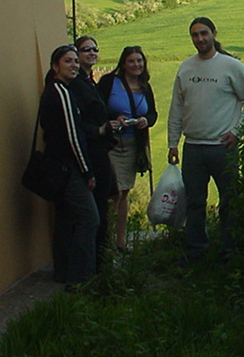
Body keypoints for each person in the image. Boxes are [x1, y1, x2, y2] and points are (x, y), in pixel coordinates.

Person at [168, 17, 244, 260]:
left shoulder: (231, 66)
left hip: (222, 148)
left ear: (214, 33)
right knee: (195, 203)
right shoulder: (186, 68)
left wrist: (237, 132)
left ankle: (230, 250)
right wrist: (173, 143)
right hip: (193, 148)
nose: (200, 39)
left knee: (230, 201)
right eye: (195, 35)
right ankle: (197, 251)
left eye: (204, 33)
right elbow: (176, 108)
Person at [39, 44, 99, 289]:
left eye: (76, 61)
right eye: (68, 61)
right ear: (55, 67)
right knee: (89, 219)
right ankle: (81, 277)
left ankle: (63, 273)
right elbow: (73, 136)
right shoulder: (61, 92)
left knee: (65, 219)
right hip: (69, 167)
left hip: (58, 167)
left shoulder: (53, 91)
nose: (74, 65)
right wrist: (87, 171)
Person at [97, 45, 157, 252]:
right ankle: (107, 238)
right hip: (112, 144)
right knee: (115, 191)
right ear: (123, 63)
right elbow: (96, 109)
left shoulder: (145, 87)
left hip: (133, 145)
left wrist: (144, 121)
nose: (136, 65)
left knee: (124, 192)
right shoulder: (108, 83)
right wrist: (114, 119)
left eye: (139, 61)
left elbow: (153, 115)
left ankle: (119, 239)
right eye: (132, 61)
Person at [70, 35, 120, 264]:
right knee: (96, 209)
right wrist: (99, 130)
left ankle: (101, 257)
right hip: (90, 151)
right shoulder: (76, 84)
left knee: (106, 199)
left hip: (99, 150)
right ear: (76, 54)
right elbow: (77, 122)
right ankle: (97, 263)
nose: (91, 53)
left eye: (95, 49)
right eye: (85, 50)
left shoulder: (89, 80)